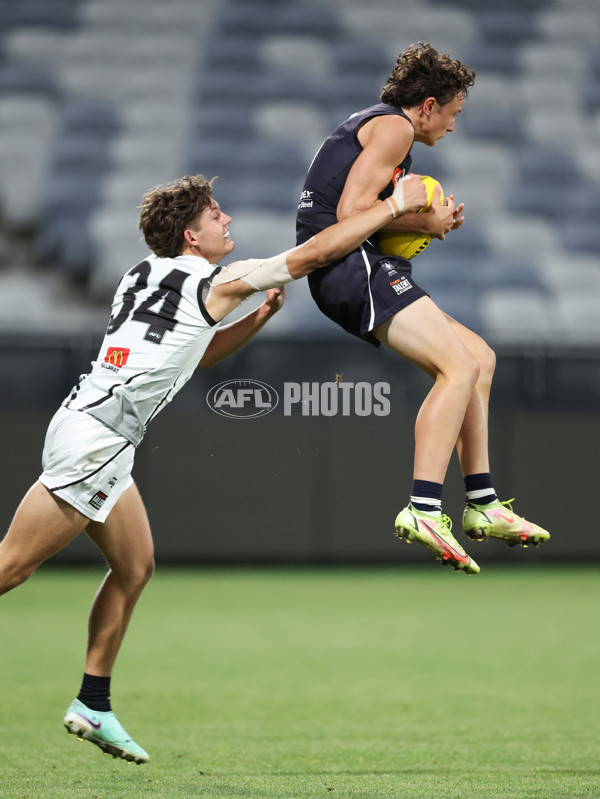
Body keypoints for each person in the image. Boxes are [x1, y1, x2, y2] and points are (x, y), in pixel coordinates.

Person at [0, 172, 427, 764]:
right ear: (190, 236)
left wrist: (256, 319)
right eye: (215, 214)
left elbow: (191, 352)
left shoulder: (141, 275)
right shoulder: (215, 279)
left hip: (91, 429)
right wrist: (391, 208)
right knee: (11, 568)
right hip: (96, 441)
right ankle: (92, 703)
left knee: (134, 565)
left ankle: (93, 704)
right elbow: (310, 256)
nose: (226, 220)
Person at [296, 42, 550, 575]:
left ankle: (483, 503)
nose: (455, 125)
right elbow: (350, 213)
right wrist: (420, 222)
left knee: (479, 358)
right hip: (347, 264)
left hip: (354, 262)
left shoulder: (382, 131)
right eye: (454, 112)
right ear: (429, 105)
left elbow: (363, 211)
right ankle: (424, 508)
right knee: (455, 368)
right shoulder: (394, 128)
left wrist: (424, 225)